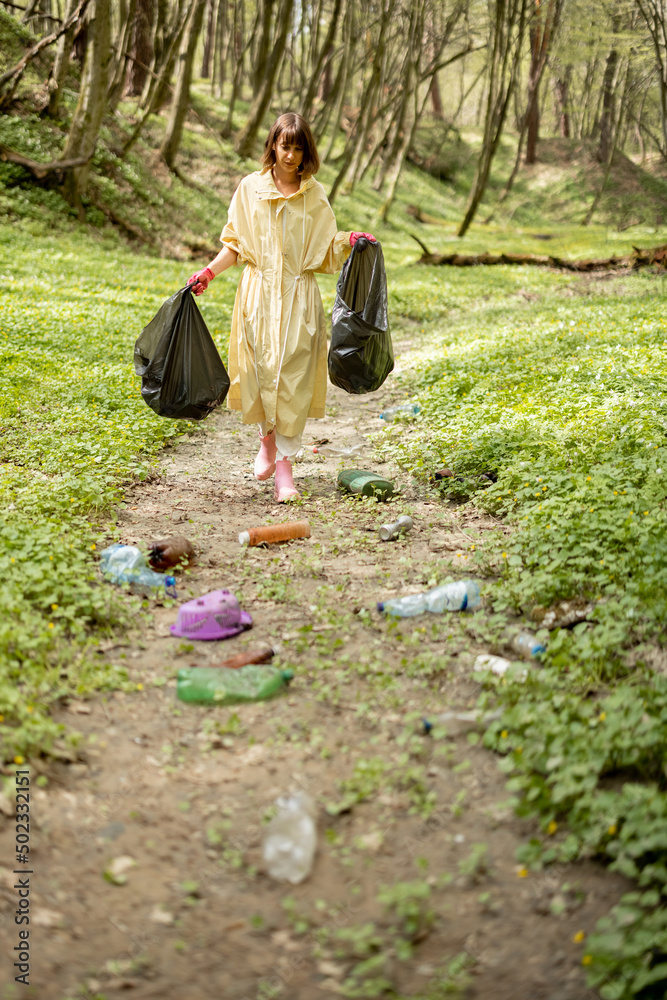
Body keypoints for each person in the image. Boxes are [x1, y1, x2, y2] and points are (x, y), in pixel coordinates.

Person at [188, 112, 375, 502]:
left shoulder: (315, 195)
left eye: (298, 147)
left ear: (307, 150)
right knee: (258, 371)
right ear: (273, 144)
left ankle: (285, 472)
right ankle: (266, 443)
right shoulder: (249, 189)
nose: (290, 155)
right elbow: (235, 245)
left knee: (292, 376)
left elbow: (325, 249)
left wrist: (350, 240)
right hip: (257, 293)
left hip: (298, 295)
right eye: (285, 145)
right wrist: (209, 272)